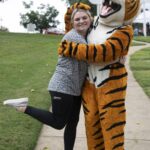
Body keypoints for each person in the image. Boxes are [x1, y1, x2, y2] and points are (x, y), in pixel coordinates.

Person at [3, 3, 93, 150]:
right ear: (72, 23)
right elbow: (93, 54)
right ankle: (23, 107)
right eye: (77, 19)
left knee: (72, 123)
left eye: (84, 18)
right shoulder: (74, 37)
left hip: (75, 89)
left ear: (90, 19)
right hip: (62, 87)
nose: (81, 21)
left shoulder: (87, 36)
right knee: (58, 123)